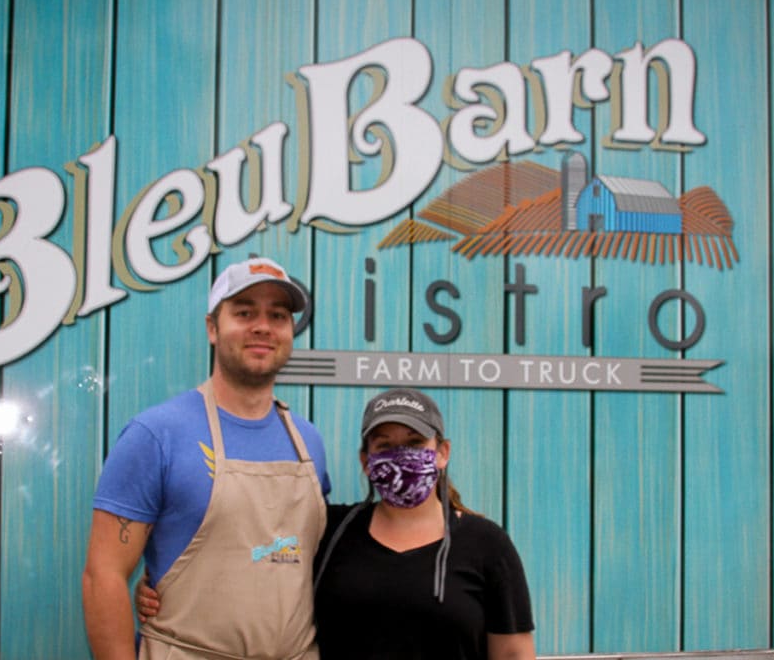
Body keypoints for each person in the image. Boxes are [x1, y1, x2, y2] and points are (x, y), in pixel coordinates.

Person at [136, 387, 536, 660]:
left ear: (442, 452)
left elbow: (514, 652)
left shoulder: (486, 545)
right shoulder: (330, 530)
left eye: (415, 444)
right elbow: (256, 561)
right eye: (385, 445)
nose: (401, 456)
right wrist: (169, 588)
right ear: (366, 460)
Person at [82, 256, 330, 660]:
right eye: (244, 313)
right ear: (212, 328)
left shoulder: (308, 441)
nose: (263, 327)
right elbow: (103, 577)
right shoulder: (155, 435)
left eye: (278, 315)